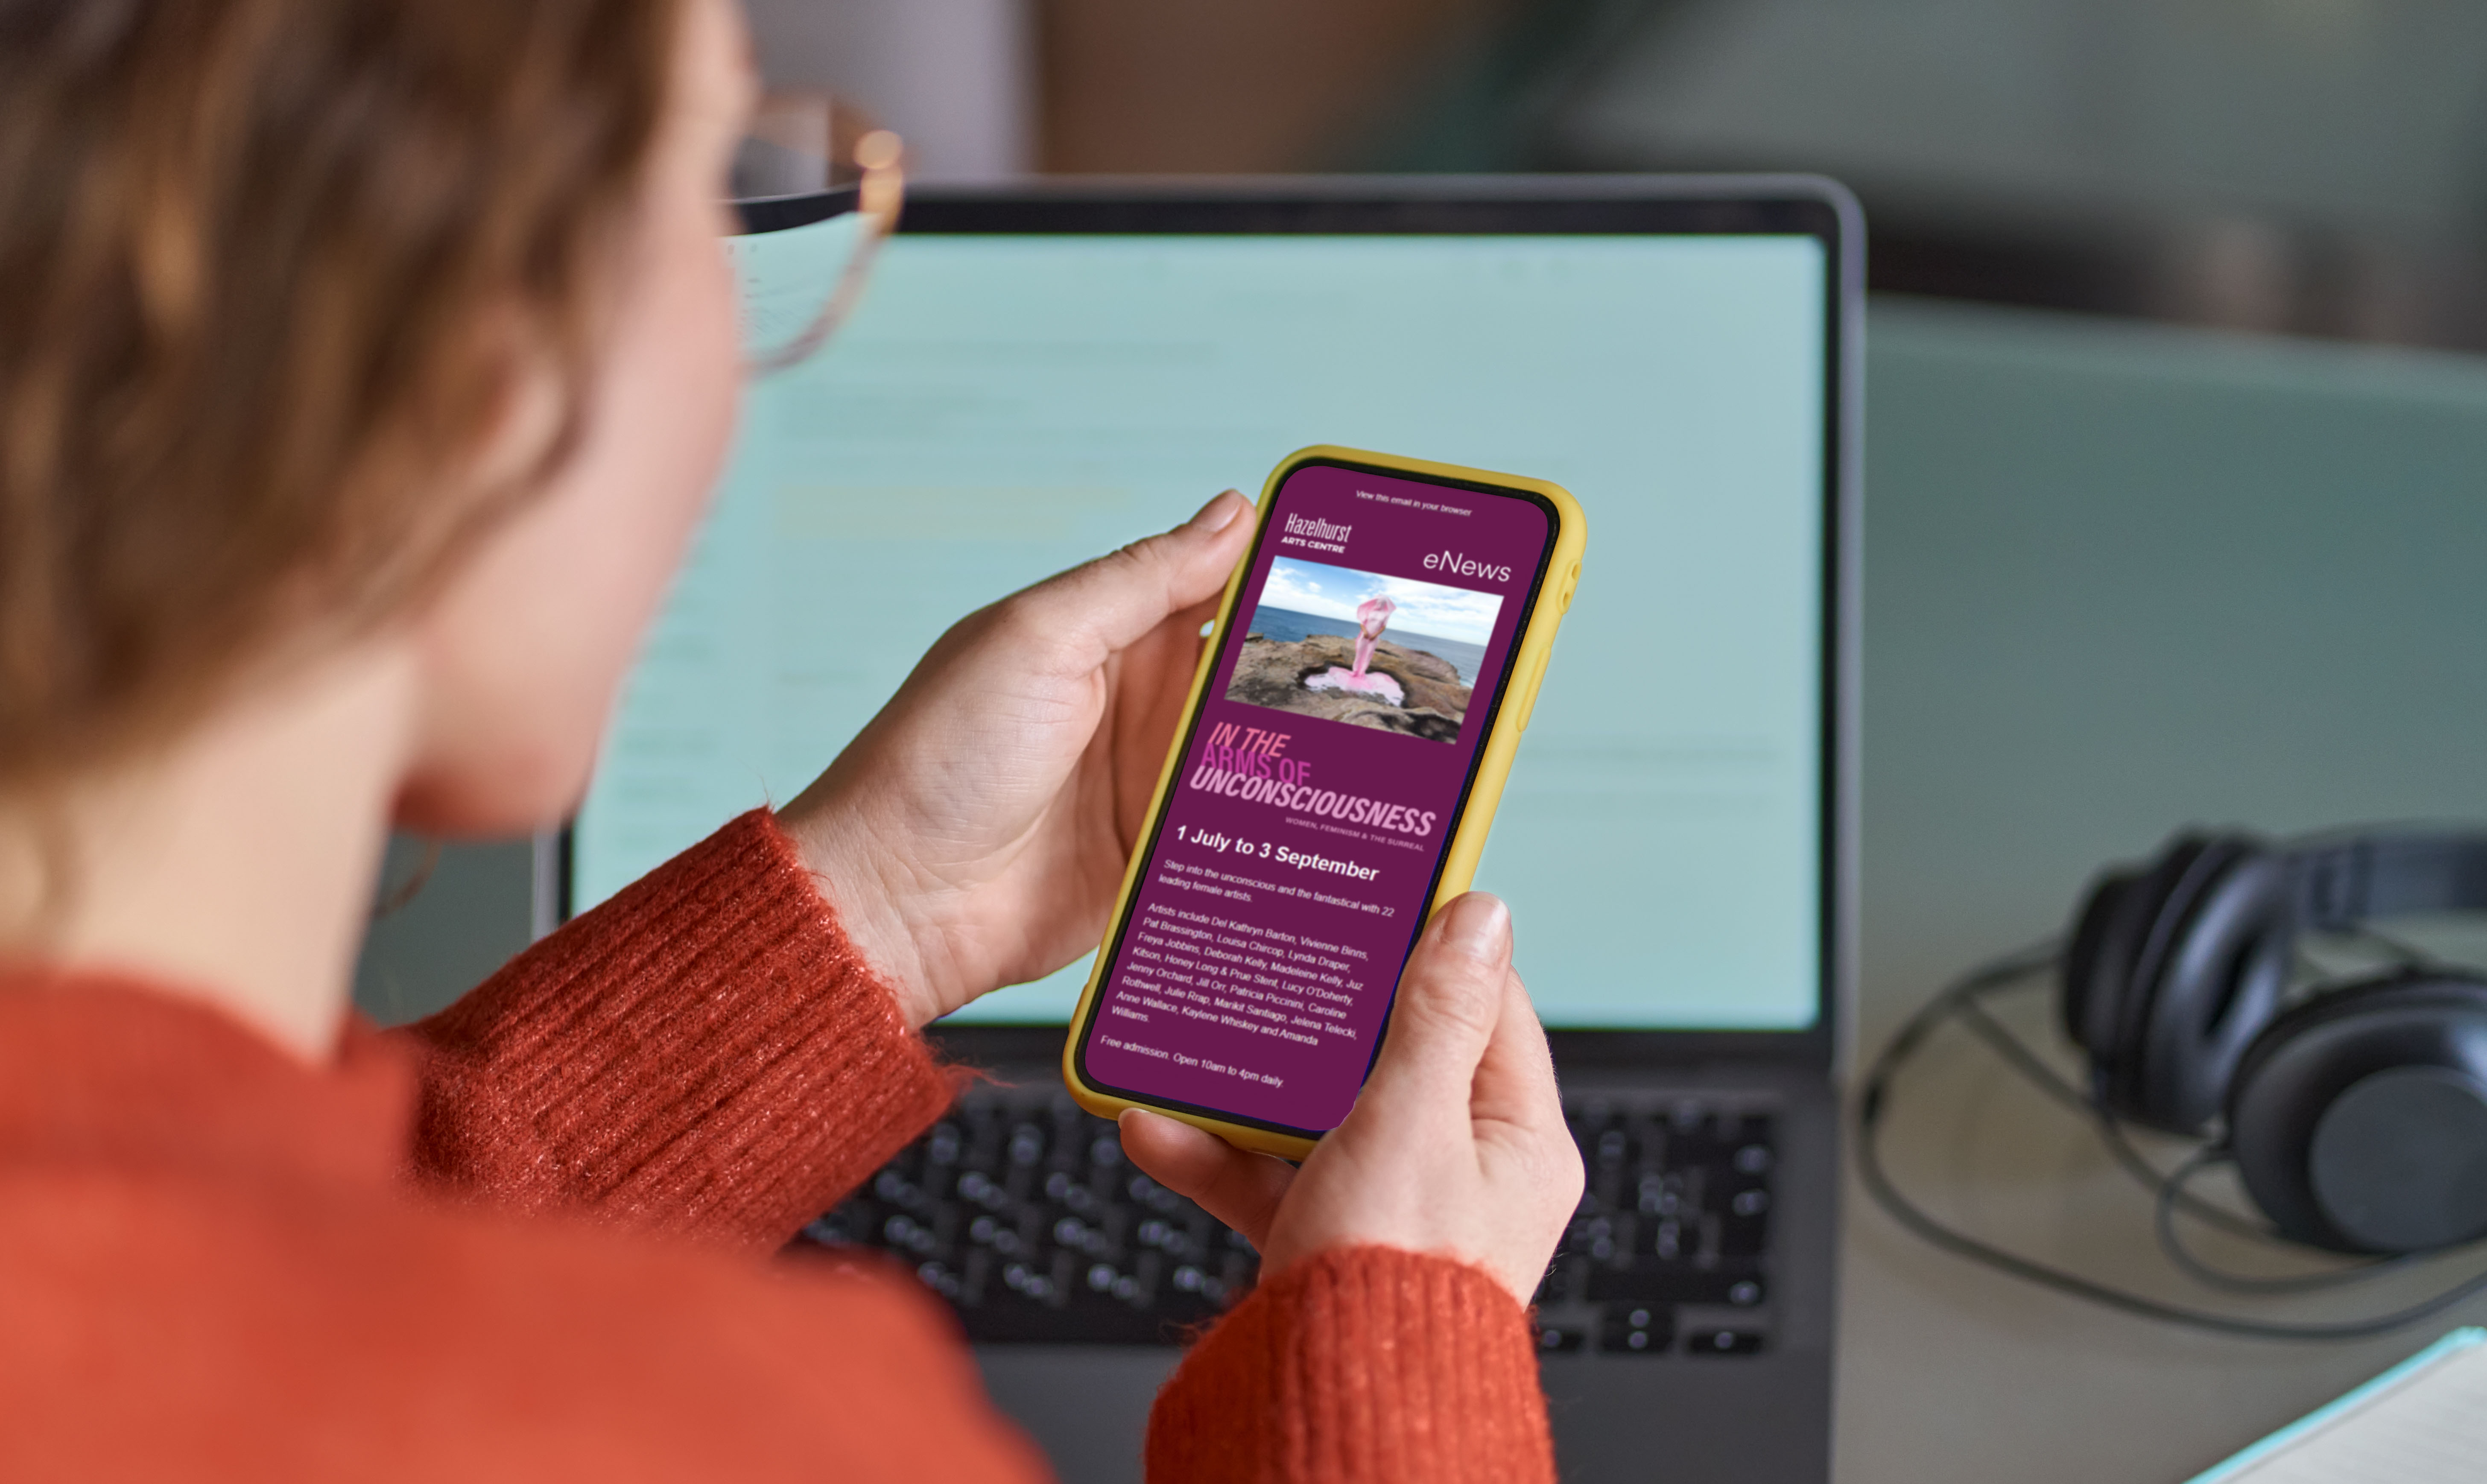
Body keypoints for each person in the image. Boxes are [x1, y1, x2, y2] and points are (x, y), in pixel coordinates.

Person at [0, 0, 1584, 1478]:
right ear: (473, 388)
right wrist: (1398, 1364)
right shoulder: (766, 1429)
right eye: (716, 184)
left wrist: (881, 904)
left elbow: (265, 1265)